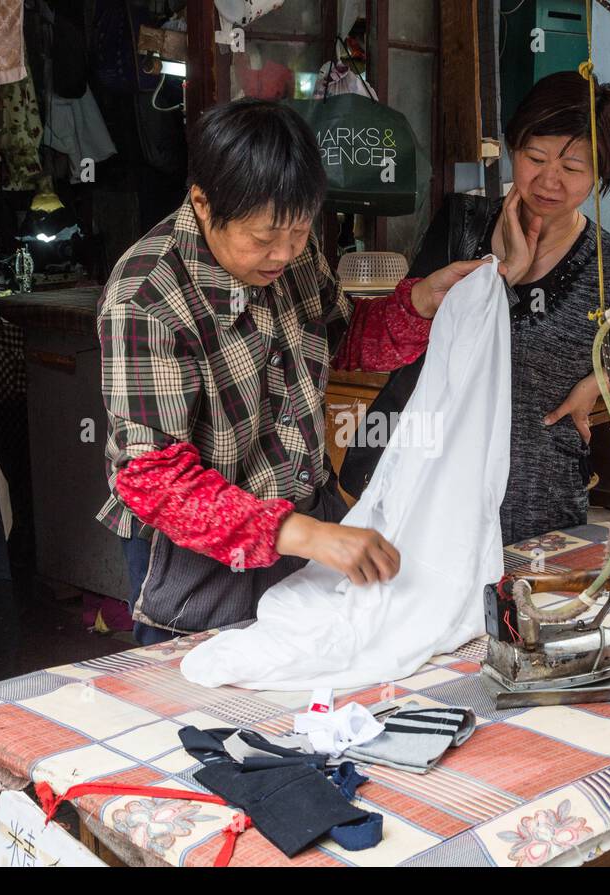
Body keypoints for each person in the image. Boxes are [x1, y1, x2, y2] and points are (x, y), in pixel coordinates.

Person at [96, 98, 484, 644]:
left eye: (299, 231)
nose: (284, 253)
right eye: (263, 238)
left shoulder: (294, 255)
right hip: (202, 565)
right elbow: (156, 480)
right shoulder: (146, 298)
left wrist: (418, 302)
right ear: (204, 204)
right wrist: (302, 534)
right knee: (203, 714)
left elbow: (341, 340)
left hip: (305, 529)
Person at [338, 70, 610, 543]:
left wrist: (598, 382)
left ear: (600, 175)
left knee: (508, 617)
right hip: (408, 482)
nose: (550, 180)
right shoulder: (459, 224)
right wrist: (504, 271)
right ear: (513, 148)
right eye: (536, 157)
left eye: (573, 168)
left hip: (529, 505)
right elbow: (413, 342)